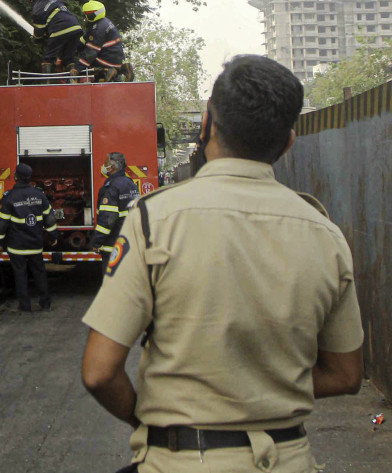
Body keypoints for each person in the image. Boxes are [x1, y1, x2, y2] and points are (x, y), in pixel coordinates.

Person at [80, 55, 364, 473]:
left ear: (206, 123)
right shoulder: (326, 235)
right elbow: (345, 375)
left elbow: (100, 372)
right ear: (288, 142)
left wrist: (156, 419)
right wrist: (264, 389)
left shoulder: (155, 219)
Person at [0, 163, 58, 312]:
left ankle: (25, 305)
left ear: (16, 177)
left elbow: (2, 225)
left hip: (17, 246)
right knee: (40, 273)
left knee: (20, 275)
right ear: (29, 177)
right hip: (35, 244)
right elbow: (50, 218)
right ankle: (45, 303)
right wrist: (53, 236)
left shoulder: (9, 198)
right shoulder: (39, 195)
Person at [89, 152, 139, 255]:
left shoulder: (111, 187)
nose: (103, 166)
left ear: (111, 167)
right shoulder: (131, 184)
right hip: (130, 244)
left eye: (105, 163)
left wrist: (96, 242)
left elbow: (108, 219)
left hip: (113, 248)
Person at [26, 0, 82, 73]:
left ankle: (47, 83)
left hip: (60, 30)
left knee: (48, 58)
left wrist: (36, 39)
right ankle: (73, 81)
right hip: (76, 28)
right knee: (68, 58)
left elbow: (38, 32)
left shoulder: (37, 10)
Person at [72, 1, 126, 81]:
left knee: (85, 65)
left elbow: (91, 53)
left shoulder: (97, 30)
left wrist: (76, 68)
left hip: (106, 62)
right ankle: (122, 69)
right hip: (116, 61)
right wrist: (76, 46)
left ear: (92, 15)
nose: (85, 18)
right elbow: (85, 39)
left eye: (86, 15)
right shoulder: (105, 22)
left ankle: (105, 71)